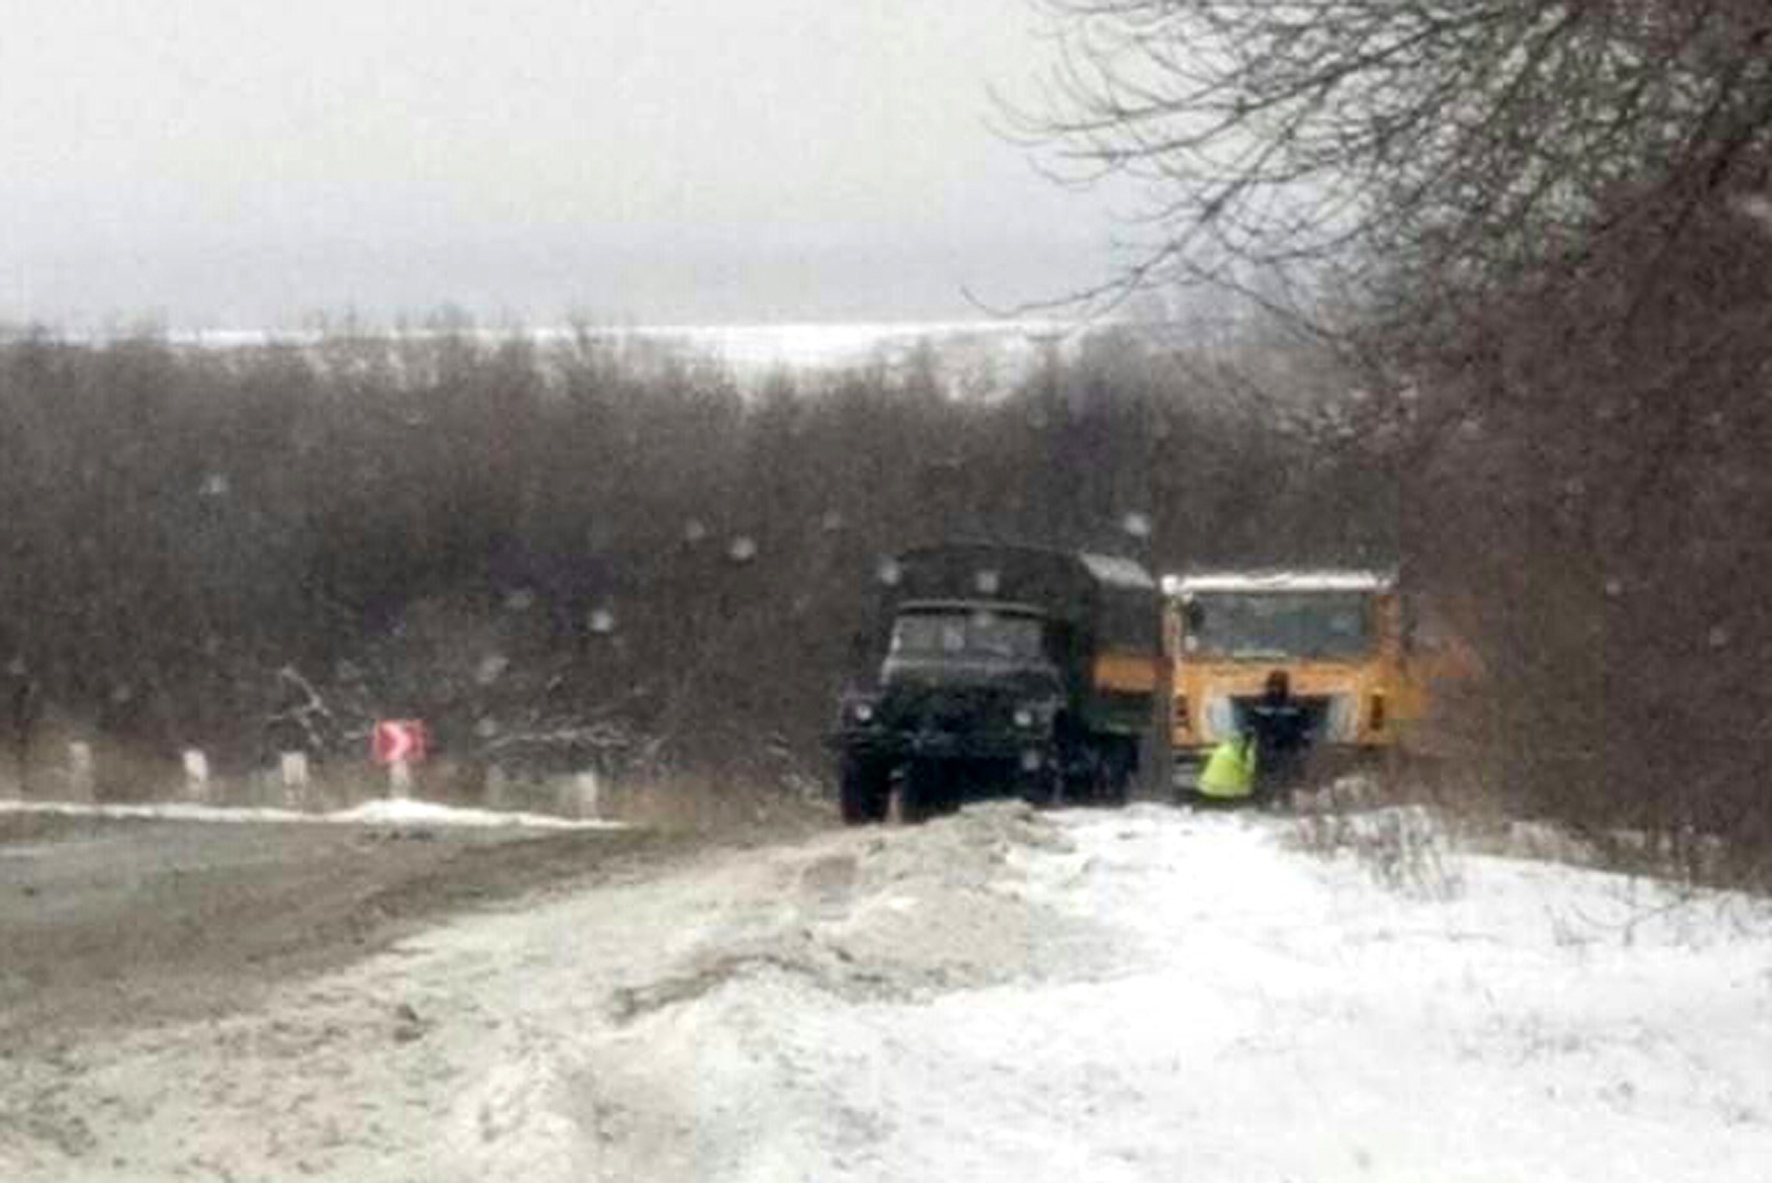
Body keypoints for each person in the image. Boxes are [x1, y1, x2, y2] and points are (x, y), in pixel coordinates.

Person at [1243, 669, 1311, 810]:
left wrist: (1305, 743)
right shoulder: (1259, 702)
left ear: (1285, 686)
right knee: (1263, 774)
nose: (1275, 689)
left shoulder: (1295, 704)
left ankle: (1286, 802)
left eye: (1278, 686)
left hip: (1289, 745)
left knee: (1287, 775)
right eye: (1272, 686)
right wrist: (1247, 741)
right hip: (1265, 744)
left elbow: (1304, 725)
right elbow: (1251, 723)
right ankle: (1262, 802)